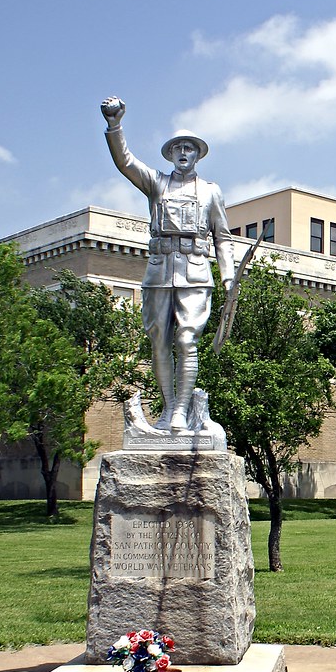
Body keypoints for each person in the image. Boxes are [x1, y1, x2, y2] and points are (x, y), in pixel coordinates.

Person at [100, 96, 235, 432]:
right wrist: (115, 126)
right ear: (171, 154)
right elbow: (126, 163)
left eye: (189, 147)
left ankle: (181, 412)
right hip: (160, 269)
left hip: (195, 270)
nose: (184, 152)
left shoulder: (210, 192)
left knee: (187, 340)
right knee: (159, 340)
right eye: (178, 148)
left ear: (198, 153)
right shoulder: (156, 183)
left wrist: (228, 276)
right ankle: (169, 408)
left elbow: (223, 237)